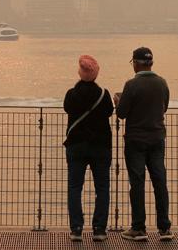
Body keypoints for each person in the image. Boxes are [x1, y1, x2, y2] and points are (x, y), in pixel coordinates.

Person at [114, 46, 172, 242]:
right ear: (151, 63)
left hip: (136, 140)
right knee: (160, 181)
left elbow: (121, 113)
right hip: (157, 139)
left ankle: (138, 228)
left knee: (137, 183)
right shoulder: (162, 83)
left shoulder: (131, 85)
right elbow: (164, 107)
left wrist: (118, 101)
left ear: (136, 63)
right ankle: (164, 228)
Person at [63, 54, 114, 242]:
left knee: (75, 187)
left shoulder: (71, 94)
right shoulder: (104, 95)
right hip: (101, 147)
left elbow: (68, 109)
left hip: (76, 146)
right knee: (102, 188)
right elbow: (109, 111)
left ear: (80, 72)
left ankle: (76, 229)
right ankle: (99, 229)